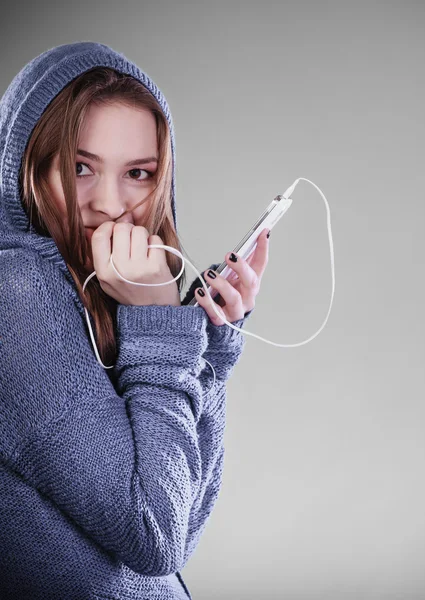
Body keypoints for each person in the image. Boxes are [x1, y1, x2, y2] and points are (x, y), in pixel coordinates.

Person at [0, 41, 269, 599]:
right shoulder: (18, 290)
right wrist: (159, 323)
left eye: (139, 173)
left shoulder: (93, 291)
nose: (109, 203)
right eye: (80, 167)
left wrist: (207, 346)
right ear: (27, 164)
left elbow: (180, 528)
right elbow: (157, 535)